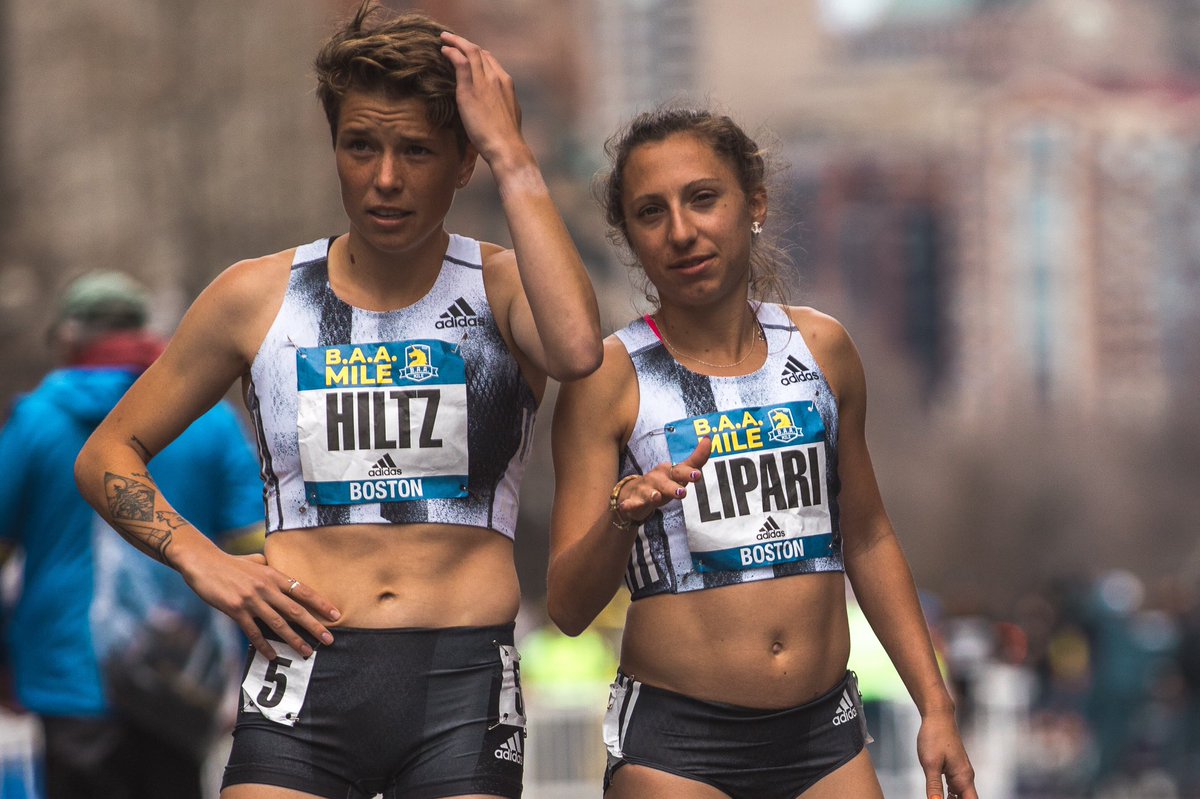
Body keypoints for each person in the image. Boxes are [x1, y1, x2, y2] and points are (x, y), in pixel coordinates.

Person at [74, 3, 602, 798]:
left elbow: (576, 350)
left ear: (463, 163)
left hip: (459, 681)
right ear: (336, 150)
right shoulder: (255, 296)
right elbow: (106, 452)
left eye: (417, 150)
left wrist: (514, 156)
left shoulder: (502, 287)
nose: (385, 178)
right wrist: (203, 560)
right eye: (361, 146)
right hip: (303, 676)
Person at [546, 106, 978, 799]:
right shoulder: (609, 376)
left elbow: (867, 537)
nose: (682, 231)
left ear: (755, 203)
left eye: (703, 198)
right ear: (629, 234)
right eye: (651, 212)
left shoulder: (823, 349)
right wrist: (622, 516)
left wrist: (936, 705)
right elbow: (567, 606)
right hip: (677, 746)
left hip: (823, 736)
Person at [0, 270, 264, 799]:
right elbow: (255, 547)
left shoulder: (35, 421)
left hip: (68, 669)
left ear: (70, 340)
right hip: (178, 667)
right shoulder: (209, 420)